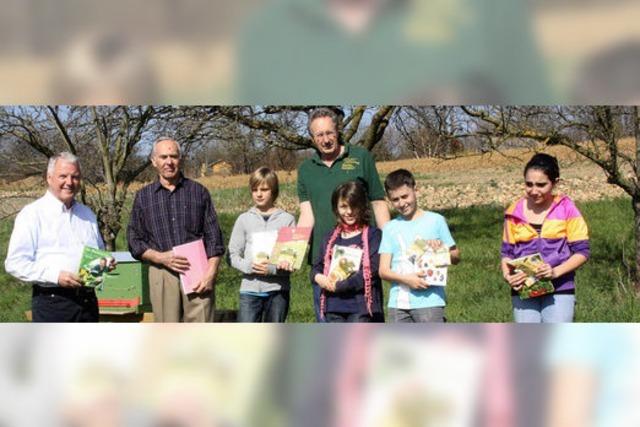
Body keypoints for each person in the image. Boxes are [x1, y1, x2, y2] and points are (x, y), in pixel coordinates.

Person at [297, 107, 390, 320]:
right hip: (326, 261)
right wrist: (291, 253)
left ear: (338, 131)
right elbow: (306, 215)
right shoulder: (305, 169)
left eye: (330, 133)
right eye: (319, 135)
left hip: (363, 258)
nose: (326, 139)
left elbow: (377, 202)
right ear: (312, 137)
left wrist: (391, 246)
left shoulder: (361, 157)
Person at [127, 137, 224, 322]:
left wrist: (211, 273)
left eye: (174, 156)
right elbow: (134, 239)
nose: (169, 162)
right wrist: (160, 257)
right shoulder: (143, 197)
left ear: (180, 159)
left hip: (197, 271)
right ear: (154, 161)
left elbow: (214, 238)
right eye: (163, 157)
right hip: (162, 271)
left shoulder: (199, 192)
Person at [4, 152, 105, 322]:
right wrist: (55, 276)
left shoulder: (87, 214)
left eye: (75, 177)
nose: (69, 182)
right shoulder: (32, 214)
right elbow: (15, 263)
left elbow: (98, 252)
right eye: (63, 176)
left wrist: (103, 264)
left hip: (88, 302)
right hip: (53, 303)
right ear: (49, 178)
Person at [501, 153, 590, 323]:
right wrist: (508, 277)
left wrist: (555, 272)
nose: (534, 191)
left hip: (560, 288)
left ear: (555, 182)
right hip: (523, 289)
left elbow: (582, 252)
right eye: (529, 184)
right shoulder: (513, 212)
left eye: (541, 185)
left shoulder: (567, 209)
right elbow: (506, 253)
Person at [378, 169, 460, 322]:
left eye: (405, 196)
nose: (402, 203)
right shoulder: (389, 228)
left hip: (430, 300)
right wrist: (407, 280)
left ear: (415, 190)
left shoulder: (436, 221)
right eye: (395, 200)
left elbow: (456, 256)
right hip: (398, 304)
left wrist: (441, 250)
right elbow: (383, 271)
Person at [227, 167, 296, 322]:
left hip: (278, 290)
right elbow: (232, 255)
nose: (259, 194)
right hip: (250, 291)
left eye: (264, 189)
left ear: (274, 191)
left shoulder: (287, 220)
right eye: (254, 189)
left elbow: (292, 260)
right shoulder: (243, 219)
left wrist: (271, 269)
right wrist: (250, 266)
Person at [311, 181, 384, 322]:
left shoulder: (373, 235)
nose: (349, 212)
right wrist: (319, 278)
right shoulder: (329, 237)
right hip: (333, 306)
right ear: (336, 208)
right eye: (343, 206)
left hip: (361, 308)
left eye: (354, 206)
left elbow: (372, 270)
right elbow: (316, 267)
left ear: (362, 206)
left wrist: (341, 285)